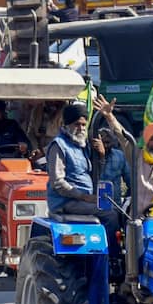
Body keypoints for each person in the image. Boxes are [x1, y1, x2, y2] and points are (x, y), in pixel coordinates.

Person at [94, 96, 153, 214]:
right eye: (152, 139)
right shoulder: (138, 156)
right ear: (146, 140)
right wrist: (109, 116)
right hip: (136, 220)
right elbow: (123, 137)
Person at [45, 103, 118, 250]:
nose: (81, 128)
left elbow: (94, 174)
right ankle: (112, 255)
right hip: (66, 202)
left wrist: (101, 155)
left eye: (84, 125)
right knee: (110, 215)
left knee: (122, 210)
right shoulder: (58, 146)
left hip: (85, 199)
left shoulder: (82, 146)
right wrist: (82, 196)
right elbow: (57, 182)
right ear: (66, 125)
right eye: (77, 124)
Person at [96, 127, 131, 201]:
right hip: (95, 202)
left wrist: (127, 200)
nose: (105, 146)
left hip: (115, 203)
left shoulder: (119, 156)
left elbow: (130, 182)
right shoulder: (91, 156)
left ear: (113, 142)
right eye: (102, 143)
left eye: (107, 142)